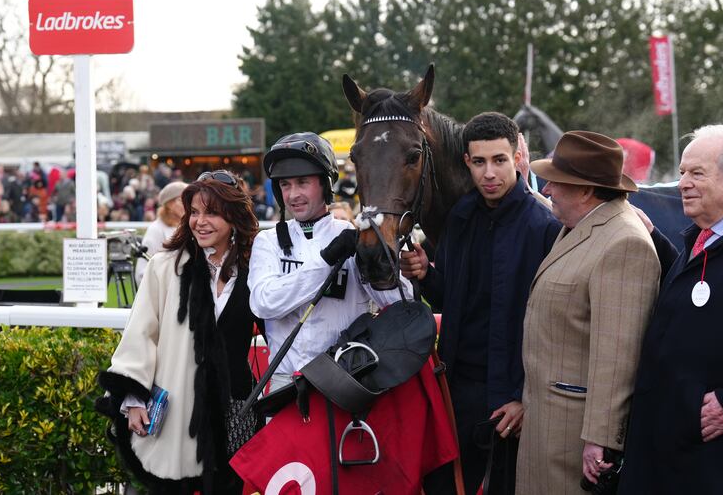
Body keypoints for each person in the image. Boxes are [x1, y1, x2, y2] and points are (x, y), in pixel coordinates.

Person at [619, 125, 723, 494]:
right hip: (668, 455)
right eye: (681, 173)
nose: (682, 183)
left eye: (696, 173)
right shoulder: (699, 238)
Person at [400, 112, 561, 494]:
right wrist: (426, 274)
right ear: (466, 163)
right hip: (457, 390)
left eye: (499, 160)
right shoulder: (459, 219)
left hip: (512, 399)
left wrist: (522, 397)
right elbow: (451, 300)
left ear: (516, 159)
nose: (489, 173)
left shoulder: (545, 227)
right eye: (479, 162)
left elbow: (552, 329)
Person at [516, 131, 660, 495]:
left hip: (575, 440)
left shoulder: (624, 242)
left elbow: (618, 356)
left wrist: (601, 440)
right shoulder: (580, 223)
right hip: (549, 424)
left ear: (585, 190)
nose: (546, 190)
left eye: (555, 182)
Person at [98, 171, 260, 493]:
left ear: (235, 217)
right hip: (177, 413)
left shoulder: (256, 269)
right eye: (194, 212)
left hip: (237, 412)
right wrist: (133, 397)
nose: (200, 221)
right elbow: (141, 333)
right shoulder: (165, 267)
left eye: (211, 212)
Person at [249, 132, 409, 392]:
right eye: (285, 185)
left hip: (345, 382)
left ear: (325, 184)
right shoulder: (267, 242)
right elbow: (264, 304)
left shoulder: (354, 236)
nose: (293, 194)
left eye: (303, 182)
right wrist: (326, 260)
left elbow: (399, 305)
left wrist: (381, 257)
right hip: (284, 385)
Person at [134, 181, 188, 285]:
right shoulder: (156, 229)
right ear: (169, 204)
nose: (188, 204)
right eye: (182, 200)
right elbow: (142, 273)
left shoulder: (188, 226)